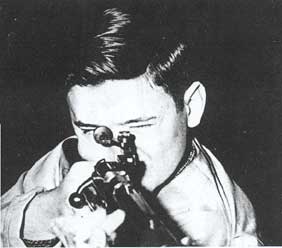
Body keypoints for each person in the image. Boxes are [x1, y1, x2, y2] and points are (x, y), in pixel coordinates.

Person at [1, 4, 258, 247]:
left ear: (191, 106)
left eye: (136, 128)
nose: (113, 154)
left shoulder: (220, 231)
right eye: (93, 131)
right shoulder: (77, 155)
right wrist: (48, 208)